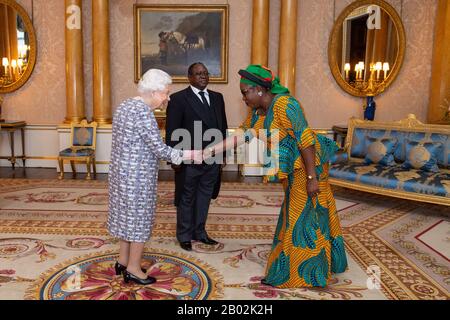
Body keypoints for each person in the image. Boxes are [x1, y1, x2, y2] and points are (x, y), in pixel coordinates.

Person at [204, 65, 348, 288]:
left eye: (245, 93)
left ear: (259, 89)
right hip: (292, 170)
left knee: (303, 219)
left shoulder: (286, 105)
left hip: (308, 168)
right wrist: (209, 151)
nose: (243, 98)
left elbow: (306, 140)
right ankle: (311, 267)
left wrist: (312, 178)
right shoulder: (258, 112)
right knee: (298, 214)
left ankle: (306, 273)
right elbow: (242, 135)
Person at [107, 69, 201, 285]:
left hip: (120, 175)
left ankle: (122, 260)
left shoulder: (125, 106)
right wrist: (189, 155)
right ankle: (132, 268)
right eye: (166, 93)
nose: (168, 98)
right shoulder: (143, 112)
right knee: (139, 220)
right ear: (153, 91)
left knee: (126, 217)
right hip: (137, 178)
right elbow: (160, 150)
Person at [165, 62, 228, 251]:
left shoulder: (218, 98)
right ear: (189, 77)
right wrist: (174, 158)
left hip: (212, 157)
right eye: (198, 73)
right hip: (188, 157)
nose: (203, 76)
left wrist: (223, 154)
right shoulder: (178, 99)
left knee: (205, 196)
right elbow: (173, 129)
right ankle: (184, 235)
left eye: (205, 73)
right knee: (187, 197)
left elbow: (222, 127)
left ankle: (200, 232)